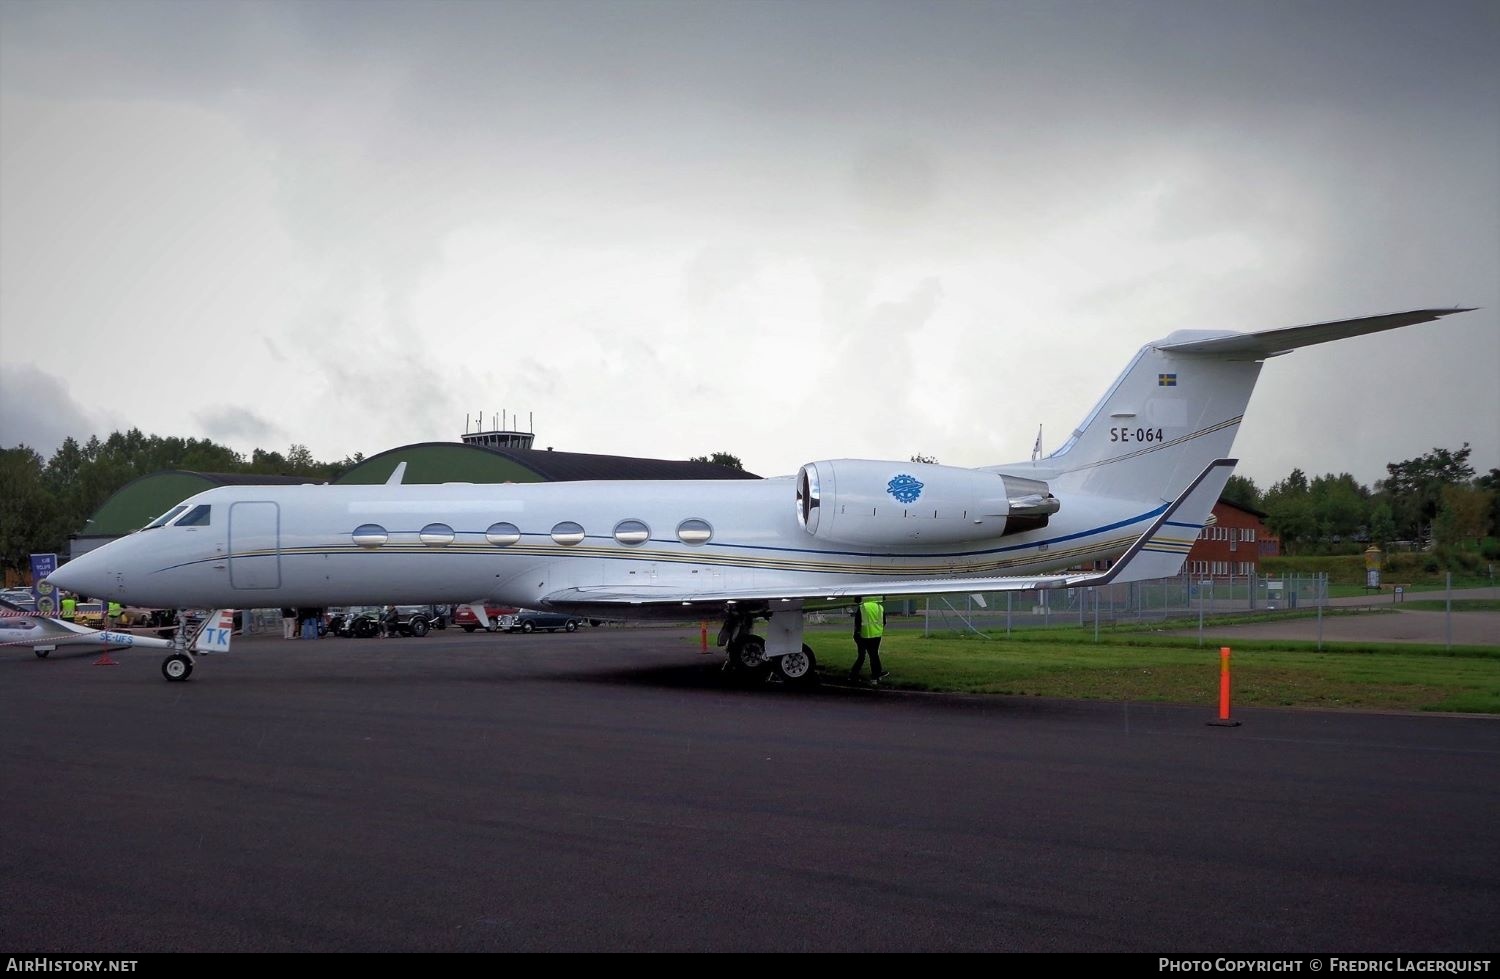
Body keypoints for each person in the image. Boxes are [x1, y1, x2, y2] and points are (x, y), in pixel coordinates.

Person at [850, 595, 888, 685]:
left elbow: (857, 622)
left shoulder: (862, 607)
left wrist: (857, 634)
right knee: (874, 655)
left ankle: (853, 675)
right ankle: (875, 676)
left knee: (861, 656)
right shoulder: (880, 607)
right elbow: (884, 622)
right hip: (876, 635)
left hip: (863, 635)